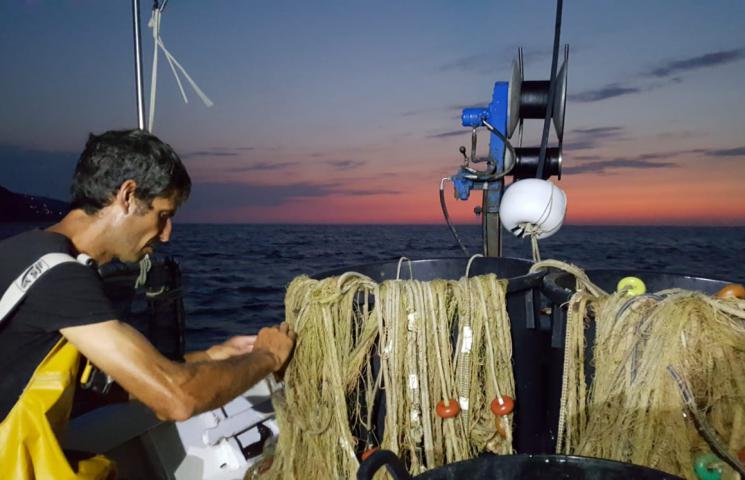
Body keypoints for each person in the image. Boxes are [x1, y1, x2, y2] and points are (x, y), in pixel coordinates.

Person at [0, 129, 295, 478]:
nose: (167, 234)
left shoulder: (25, 254)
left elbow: (104, 385)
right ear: (128, 195)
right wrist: (269, 357)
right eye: (163, 215)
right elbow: (176, 400)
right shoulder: (59, 276)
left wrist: (213, 356)